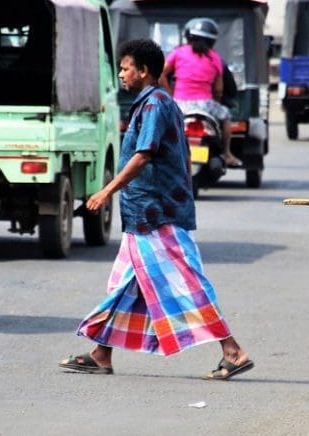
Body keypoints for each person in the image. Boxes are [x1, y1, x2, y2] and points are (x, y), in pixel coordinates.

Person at [59, 39, 253, 380]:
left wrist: (106, 190)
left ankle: (233, 351)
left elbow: (143, 154)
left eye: (125, 68)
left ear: (144, 71)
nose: (120, 74)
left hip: (157, 215)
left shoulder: (155, 106)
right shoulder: (152, 102)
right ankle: (101, 353)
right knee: (125, 284)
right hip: (142, 214)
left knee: (186, 282)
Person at [159, 17, 242, 168]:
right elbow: (218, 90)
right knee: (226, 116)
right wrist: (216, 102)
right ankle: (227, 153)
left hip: (180, 103)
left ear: (190, 37)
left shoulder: (178, 53)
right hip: (206, 105)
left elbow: (162, 74)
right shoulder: (215, 58)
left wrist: (170, 95)